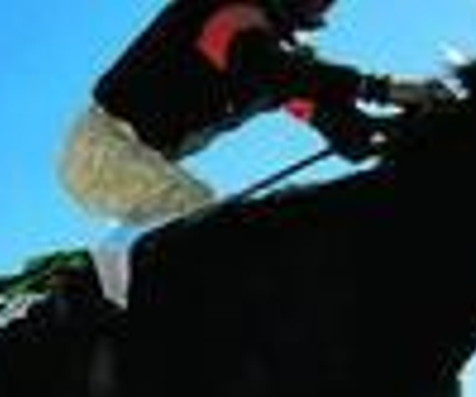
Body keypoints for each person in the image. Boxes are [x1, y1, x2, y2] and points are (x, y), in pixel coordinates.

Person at [60, 0, 451, 228]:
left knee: (218, 224)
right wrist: (381, 89)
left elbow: (320, 111)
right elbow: (269, 69)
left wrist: (383, 131)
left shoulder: (277, 57)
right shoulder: (226, 14)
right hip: (100, 149)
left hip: (143, 156)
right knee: (210, 226)